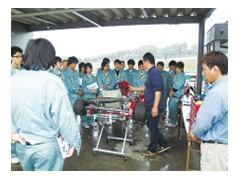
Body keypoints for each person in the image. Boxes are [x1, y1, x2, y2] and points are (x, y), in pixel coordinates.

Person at [11, 38, 81, 171]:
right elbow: (64, 118)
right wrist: (73, 142)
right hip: (46, 147)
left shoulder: (13, 80)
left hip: (22, 146)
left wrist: (12, 132)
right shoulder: (52, 82)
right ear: (49, 57)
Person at [189, 51, 228, 171]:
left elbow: (203, 124)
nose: (202, 73)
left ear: (215, 69)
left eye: (204, 69)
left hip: (216, 152)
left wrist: (194, 132)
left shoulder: (216, 93)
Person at [129, 52, 171, 157]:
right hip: (151, 104)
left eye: (143, 62)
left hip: (155, 105)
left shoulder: (155, 73)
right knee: (151, 125)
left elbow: (158, 91)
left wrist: (155, 107)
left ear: (147, 61)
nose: (143, 64)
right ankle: (164, 143)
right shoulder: (151, 72)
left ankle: (152, 149)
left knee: (152, 126)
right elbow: (146, 87)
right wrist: (134, 88)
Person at [11, 46, 23, 164]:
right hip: (11, 104)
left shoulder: (22, 71)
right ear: (11, 57)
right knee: (12, 128)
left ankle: (18, 151)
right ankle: (11, 154)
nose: (20, 59)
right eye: (17, 56)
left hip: (21, 104)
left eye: (21, 56)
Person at [165, 61, 186, 127]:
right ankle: (173, 120)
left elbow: (177, 86)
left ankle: (173, 122)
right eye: (176, 68)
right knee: (171, 107)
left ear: (182, 69)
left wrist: (172, 92)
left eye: (178, 68)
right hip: (174, 94)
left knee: (173, 108)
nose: (176, 69)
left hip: (176, 95)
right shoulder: (176, 74)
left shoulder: (181, 75)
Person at [82, 63, 98, 128]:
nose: (89, 70)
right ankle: (85, 122)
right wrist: (90, 91)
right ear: (86, 69)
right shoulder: (84, 78)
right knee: (86, 109)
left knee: (92, 109)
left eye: (90, 68)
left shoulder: (94, 77)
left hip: (93, 96)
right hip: (87, 96)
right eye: (87, 68)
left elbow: (97, 86)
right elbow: (83, 88)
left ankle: (91, 121)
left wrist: (96, 91)